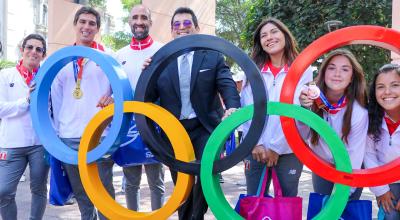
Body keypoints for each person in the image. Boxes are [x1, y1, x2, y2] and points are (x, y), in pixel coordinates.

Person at [144, 7, 240, 219]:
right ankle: (186, 216)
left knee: (206, 174)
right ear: (171, 31)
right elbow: (147, 97)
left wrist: (232, 106)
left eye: (187, 23)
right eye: (176, 25)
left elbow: (227, 84)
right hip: (175, 130)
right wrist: (146, 73)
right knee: (182, 182)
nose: (181, 28)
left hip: (205, 127)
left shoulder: (212, 55)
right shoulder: (160, 60)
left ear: (196, 28)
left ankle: (195, 216)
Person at [50, 6, 115, 220]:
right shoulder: (61, 61)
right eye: (82, 22)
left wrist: (113, 100)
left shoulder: (107, 58)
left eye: (92, 23)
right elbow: (56, 99)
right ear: (75, 25)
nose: (86, 27)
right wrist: (58, 132)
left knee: (104, 191)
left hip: (100, 135)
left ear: (97, 29)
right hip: (69, 136)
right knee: (82, 194)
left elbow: (121, 93)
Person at [241, 18, 313, 197]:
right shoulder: (250, 71)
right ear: (260, 43)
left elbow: (296, 112)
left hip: (289, 149)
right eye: (263, 35)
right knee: (254, 201)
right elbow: (245, 109)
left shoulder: (302, 69)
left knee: (287, 202)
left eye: (274, 32)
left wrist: (276, 147)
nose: (269, 37)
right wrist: (254, 142)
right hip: (255, 150)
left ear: (285, 35)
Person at [299, 49, 368, 199]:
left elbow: (354, 157)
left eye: (345, 69)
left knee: (345, 209)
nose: (337, 74)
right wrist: (304, 110)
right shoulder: (309, 97)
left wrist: (343, 194)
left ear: (351, 78)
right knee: (322, 207)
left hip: (349, 168)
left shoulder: (358, 112)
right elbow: (301, 135)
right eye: (331, 68)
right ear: (323, 73)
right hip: (322, 165)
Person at [115, 4, 165, 211]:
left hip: (154, 124)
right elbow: (115, 89)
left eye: (143, 18)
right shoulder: (120, 55)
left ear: (150, 22)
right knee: (131, 183)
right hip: (128, 126)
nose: (139, 22)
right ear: (129, 22)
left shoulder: (161, 50)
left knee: (157, 183)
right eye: (135, 17)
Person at [0, 34, 49, 220]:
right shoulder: (5, 75)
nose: (33, 52)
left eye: (39, 49)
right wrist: (26, 101)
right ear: (22, 49)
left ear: (43, 55)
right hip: (11, 144)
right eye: (30, 47)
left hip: (39, 143)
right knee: (3, 192)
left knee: (38, 189)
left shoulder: (46, 78)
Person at [364, 63, 400, 219]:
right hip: (387, 183)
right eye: (380, 87)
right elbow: (368, 156)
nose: (387, 92)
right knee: (390, 214)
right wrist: (382, 190)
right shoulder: (370, 119)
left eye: (395, 85)